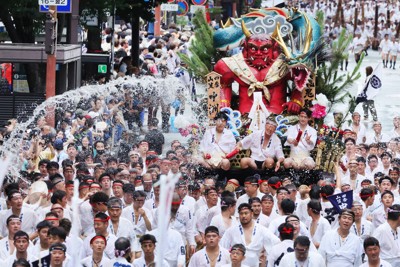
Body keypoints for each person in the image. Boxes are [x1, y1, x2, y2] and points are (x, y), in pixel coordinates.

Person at [214, 25, 305, 115]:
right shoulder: (233, 64)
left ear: (274, 46)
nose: (258, 53)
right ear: (246, 46)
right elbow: (223, 84)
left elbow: (301, 82)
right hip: (245, 115)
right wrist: (223, 100)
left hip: (277, 116)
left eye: (264, 49)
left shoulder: (286, 65)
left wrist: (296, 100)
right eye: (253, 48)